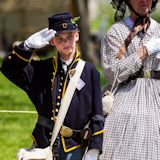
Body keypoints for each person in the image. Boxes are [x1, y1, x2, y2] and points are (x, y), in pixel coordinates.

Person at [0, 12, 104, 160]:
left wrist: (94, 149)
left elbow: (97, 115)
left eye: (70, 37)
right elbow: (8, 68)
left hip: (74, 146)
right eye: (59, 39)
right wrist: (27, 46)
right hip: (43, 144)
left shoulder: (90, 72)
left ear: (77, 36)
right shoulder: (41, 69)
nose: (66, 43)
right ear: (51, 41)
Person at [99, 0, 160, 159]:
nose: (144, 0)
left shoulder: (159, 30)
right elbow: (112, 73)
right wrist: (144, 52)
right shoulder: (116, 32)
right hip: (126, 98)